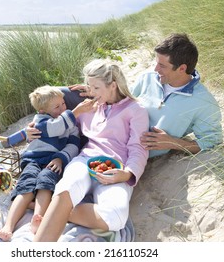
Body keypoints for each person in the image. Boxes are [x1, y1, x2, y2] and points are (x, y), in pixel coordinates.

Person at [33, 59, 149, 241]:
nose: (91, 92)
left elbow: (138, 148)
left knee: (116, 217)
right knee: (66, 188)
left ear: (113, 86)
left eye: (96, 88)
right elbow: (51, 97)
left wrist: (127, 174)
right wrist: (35, 127)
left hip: (115, 168)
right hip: (85, 159)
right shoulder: (89, 106)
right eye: (89, 87)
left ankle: (57, 212)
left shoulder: (136, 110)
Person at [55, 33, 223, 157]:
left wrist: (174, 143)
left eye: (162, 65)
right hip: (108, 120)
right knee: (65, 94)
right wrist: (95, 88)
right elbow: (126, 97)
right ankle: (33, 130)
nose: (156, 69)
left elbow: (212, 140)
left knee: (63, 147)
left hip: (124, 148)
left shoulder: (203, 102)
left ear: (182, 68)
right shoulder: (150, 76)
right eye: (156, 62)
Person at [0, 85, 93, 241]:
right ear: (42, 111)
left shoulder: (70, 124)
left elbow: (73, 144)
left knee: (46, 182)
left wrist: (61, 158)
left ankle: (38, 218)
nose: (63, 108)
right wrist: (75, 112)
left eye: (63, 104)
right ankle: (8, 225)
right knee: (26, 186)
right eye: (57, 106)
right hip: (33, 159)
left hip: (54, 161)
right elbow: (56, 128)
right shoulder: (41, 121)